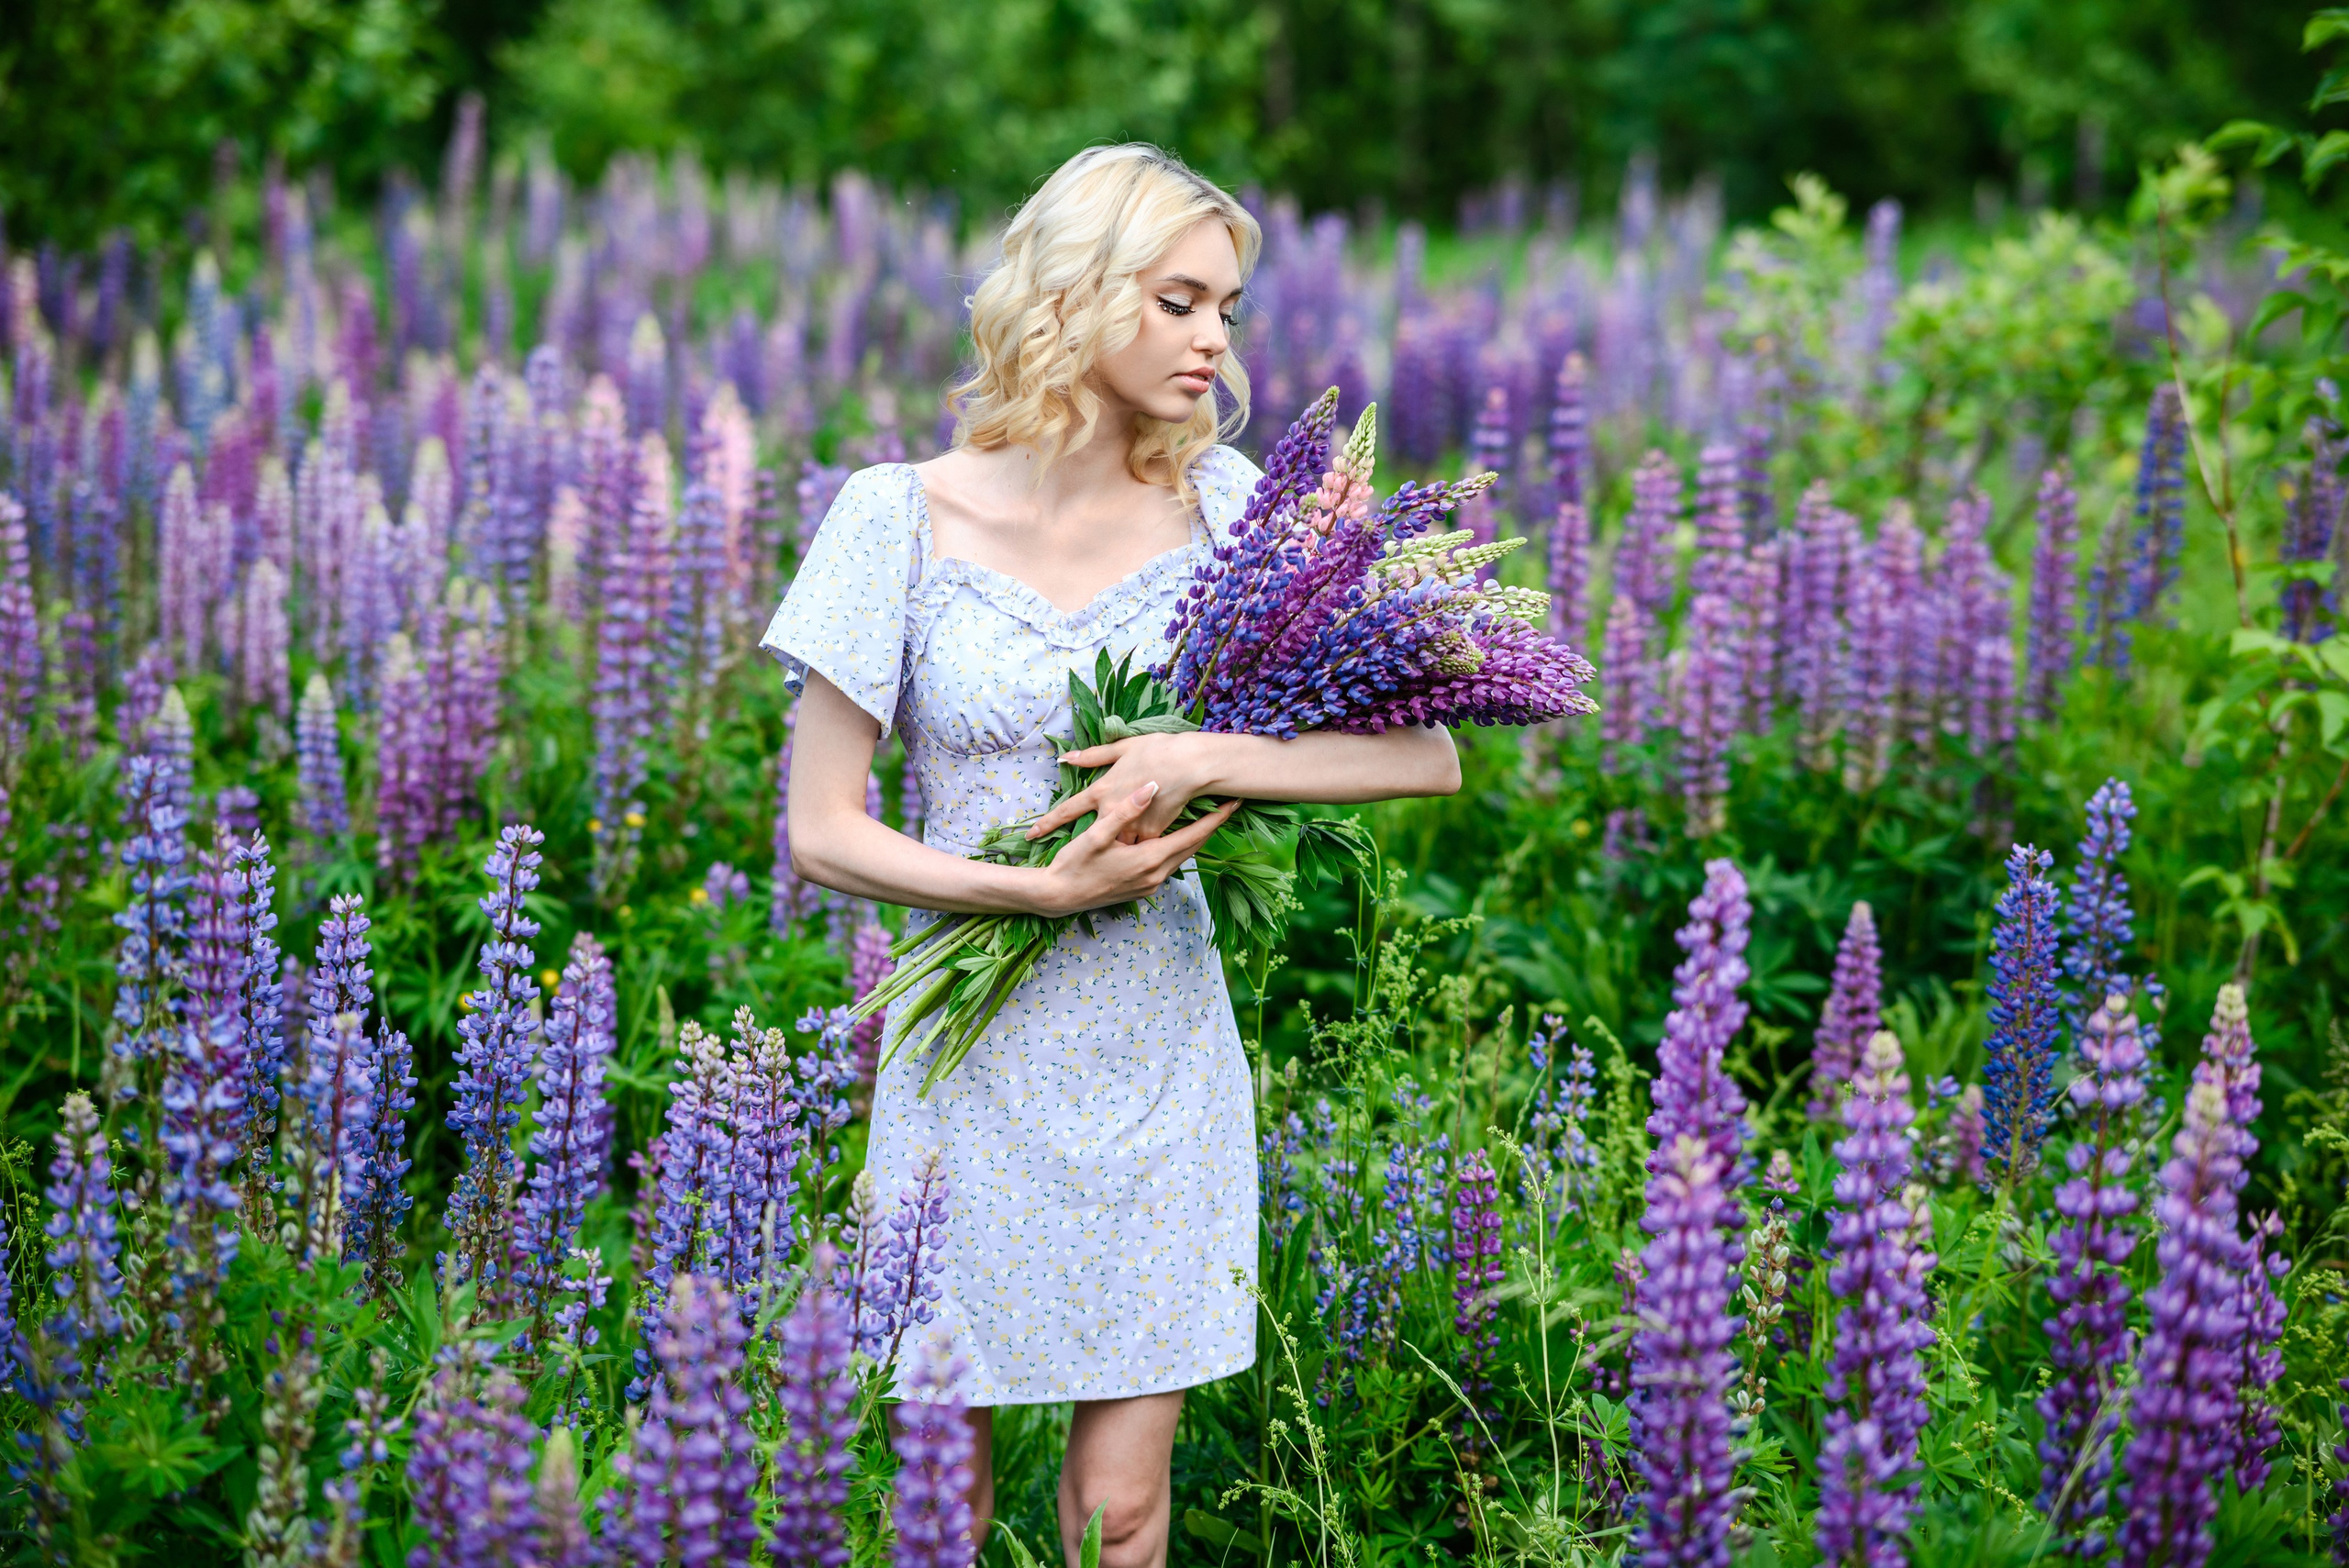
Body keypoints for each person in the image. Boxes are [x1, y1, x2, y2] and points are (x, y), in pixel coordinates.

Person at [763, 142, 1460, 1568]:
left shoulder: (1240, 514)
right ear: (1077, 298)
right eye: (1181, 300)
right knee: (935, 1509)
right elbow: (821, 826)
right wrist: (1039, 889)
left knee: (1122, 1516)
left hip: (1157, 1057)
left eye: (1230, 308)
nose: (1218, 338)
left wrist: (1198, 755)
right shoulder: (894, 514)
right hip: (966, 1063)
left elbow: (1426, 749)